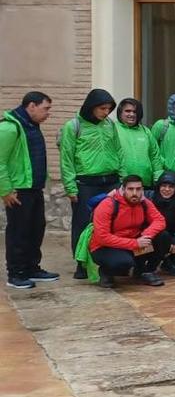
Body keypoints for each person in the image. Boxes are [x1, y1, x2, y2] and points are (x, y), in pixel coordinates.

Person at [59, 88, 122, 278]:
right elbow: (66, 158)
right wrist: (70, 186)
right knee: (84, 224)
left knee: (111, 222)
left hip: (110, 180)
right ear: (91, 107)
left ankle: (107, 263)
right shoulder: (74, 126)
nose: (106, 113)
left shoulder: (109, 124)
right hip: (86, 183)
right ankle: (82, 264)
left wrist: (122, 178)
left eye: (108, 109)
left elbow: (118, 150)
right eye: (102, 108)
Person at [2, 92, 57, 289]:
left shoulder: (32, 126)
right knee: (19, 232)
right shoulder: (10, 128)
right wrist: (6, 190)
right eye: (46, 108)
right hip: (19, 190)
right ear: (31, 106)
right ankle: (16, 274)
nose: (48, 113)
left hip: (34, 188)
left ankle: (32, 268)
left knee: (36, 228)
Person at [89, 175, 169, 288]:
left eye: (138, 189)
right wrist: (135, 243)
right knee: (123, 263)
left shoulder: (144, 203)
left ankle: (145, 271)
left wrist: (146, 235)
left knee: (163, 237)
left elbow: (160, 220)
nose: (135, 193)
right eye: (131, 189)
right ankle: (106, 272)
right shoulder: (107, 205)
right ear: (123, 189)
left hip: (133, 243)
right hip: (105, 247)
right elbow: (102, 237)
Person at [151, 94, 175, 177]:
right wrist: (158, 170)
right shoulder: (161, 125)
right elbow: (152, 149)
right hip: (165, 172)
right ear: (171, 109)